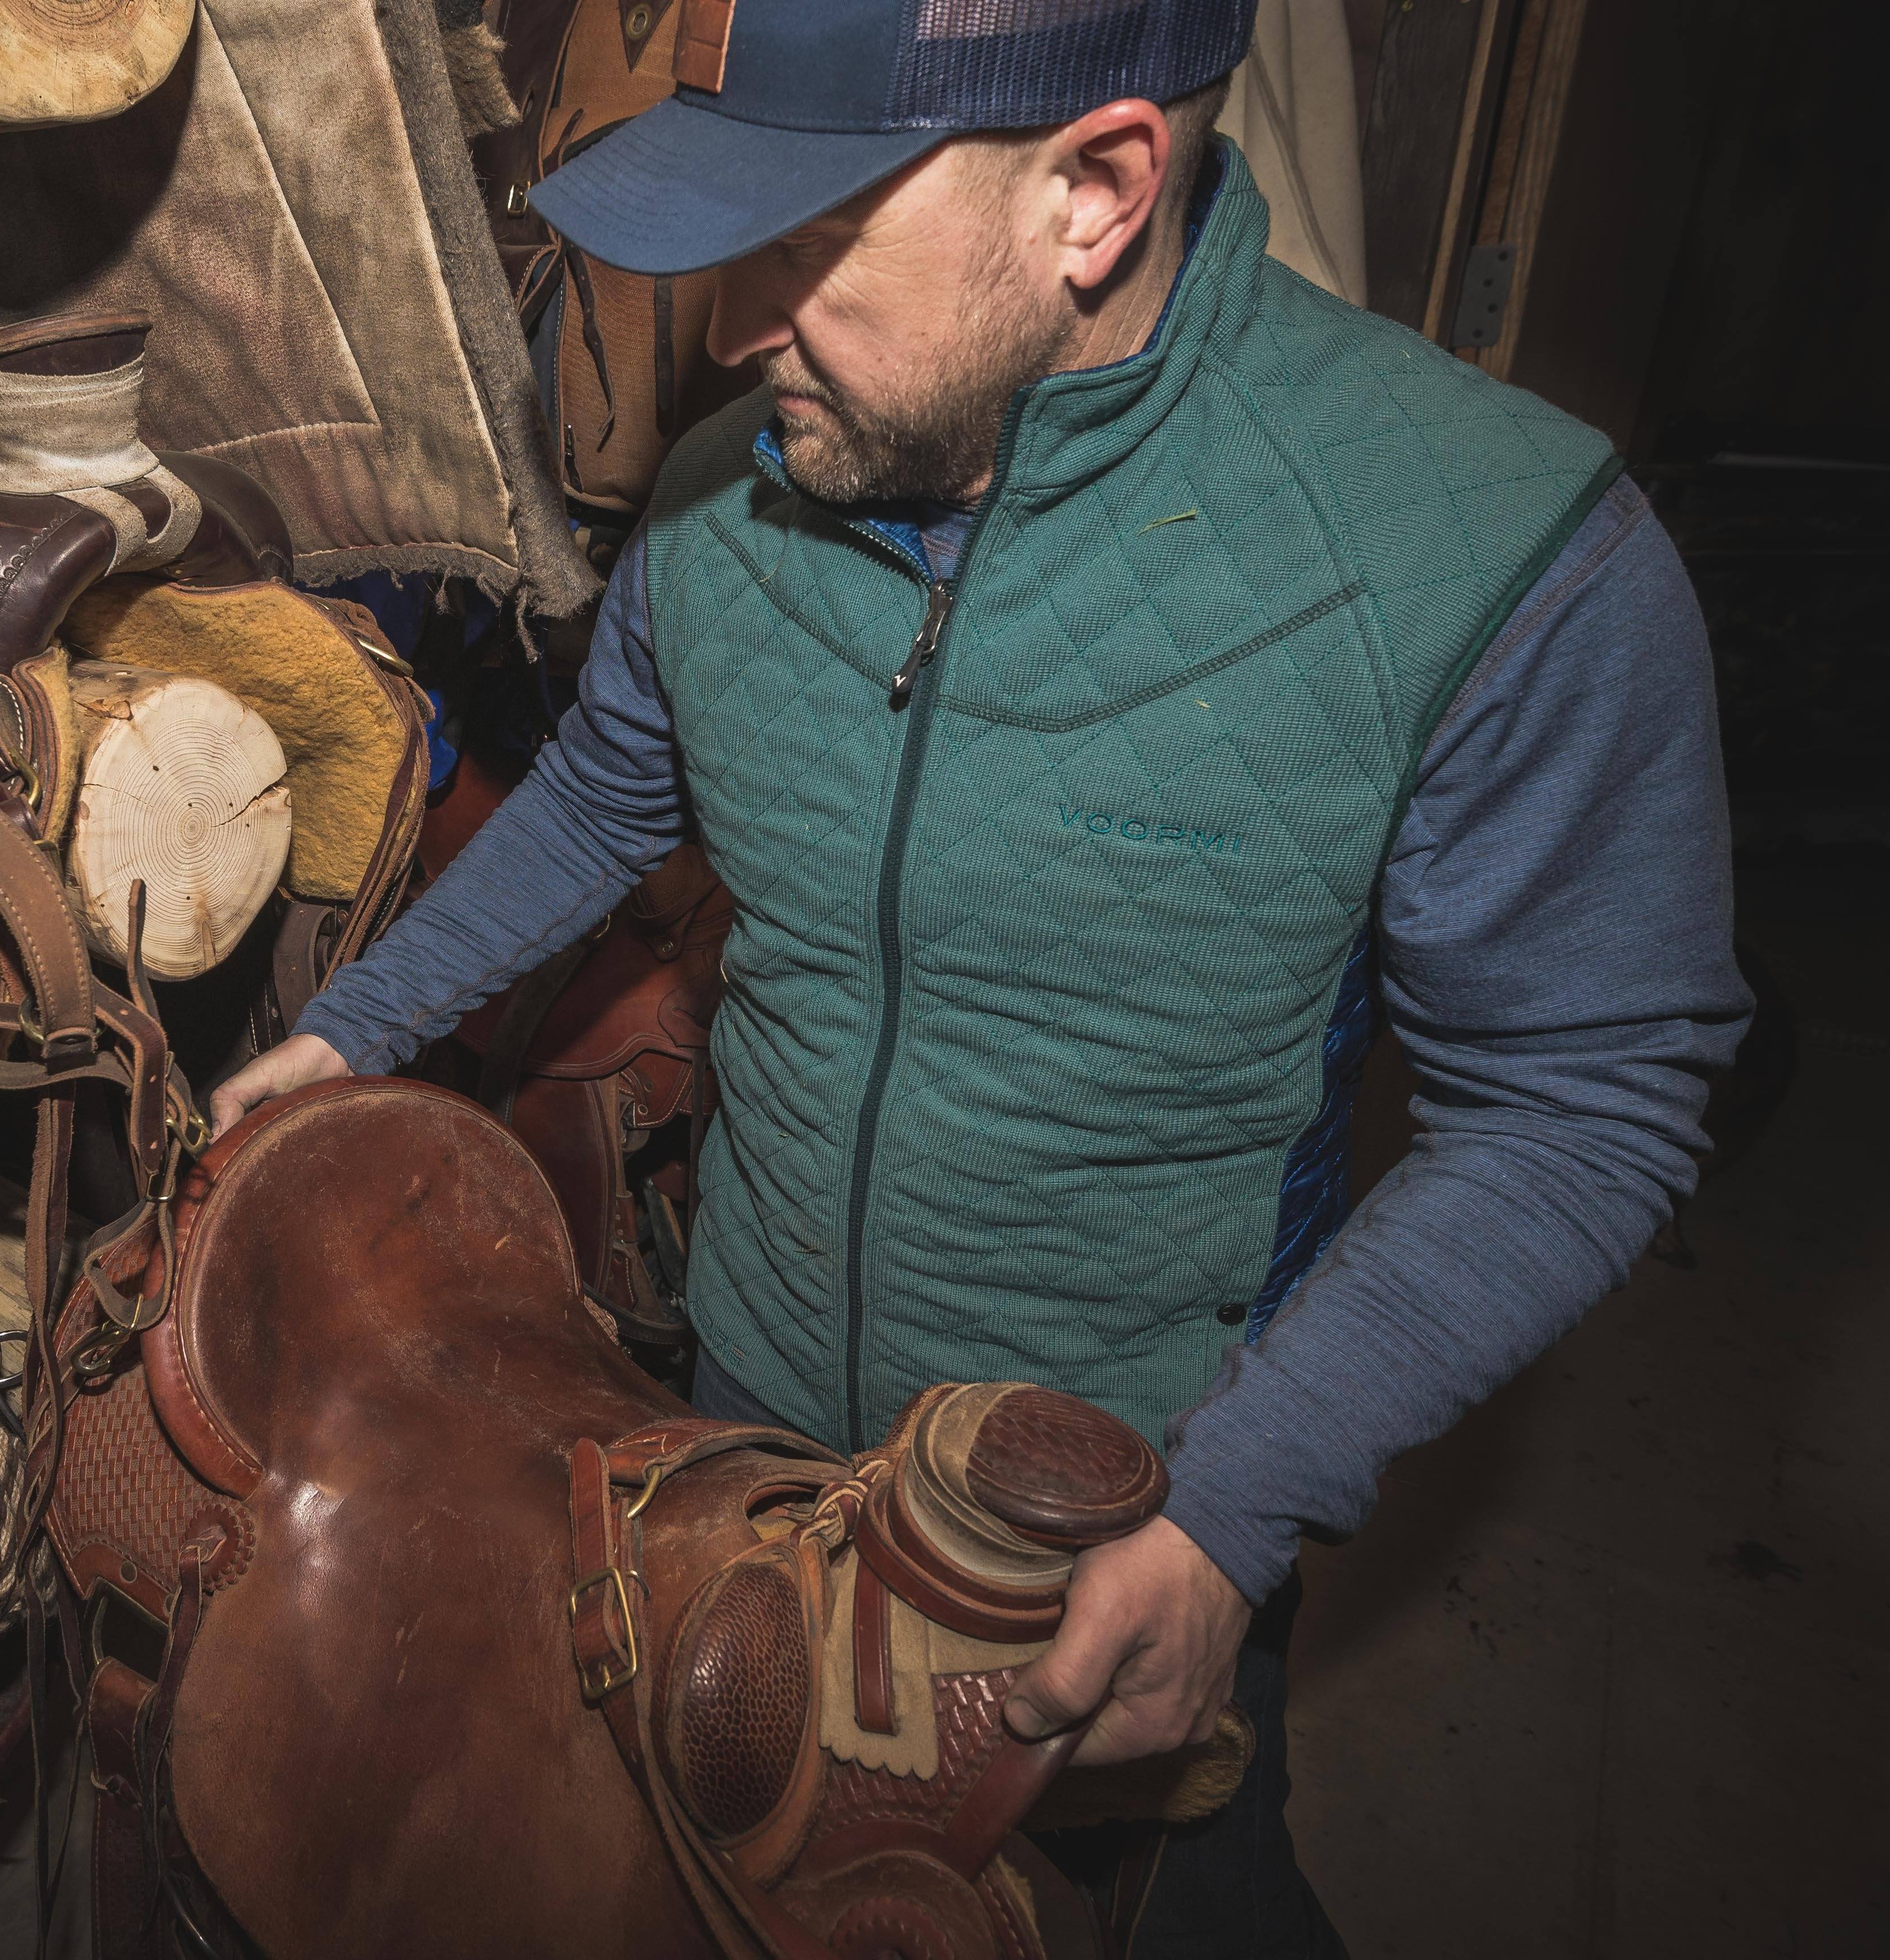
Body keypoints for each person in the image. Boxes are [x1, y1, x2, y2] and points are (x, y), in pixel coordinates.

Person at [210, 0, 1747, 1946]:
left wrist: (1231, 1512)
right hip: (741, 1433)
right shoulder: (723, 493)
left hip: (1123, 1505)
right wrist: (359, 1024)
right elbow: (608, 790)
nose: (732, 325)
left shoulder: (1493, 561)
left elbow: (1577, 1105)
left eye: (802, 240)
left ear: (1094, 191)